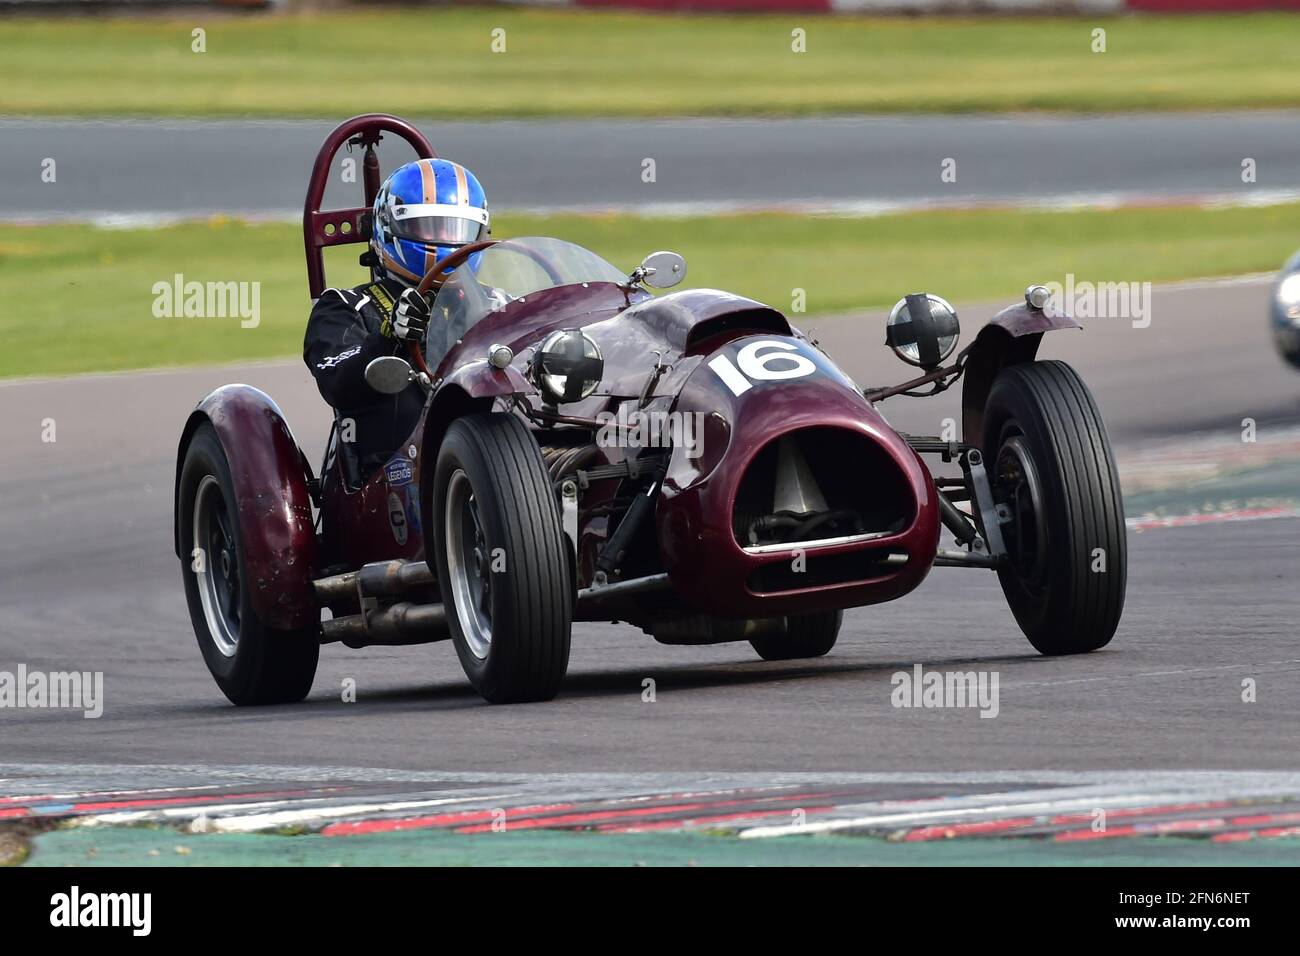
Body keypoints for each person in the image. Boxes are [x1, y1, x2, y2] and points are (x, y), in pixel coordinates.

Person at [303, 158, 490, 477]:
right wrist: (388, 338)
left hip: (501, 460)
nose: (444, 238)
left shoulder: (493, 303)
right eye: (428, 226)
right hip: (393, 476)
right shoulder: (345, 305)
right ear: (390, 229)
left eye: (456, 227)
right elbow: (337, 383)